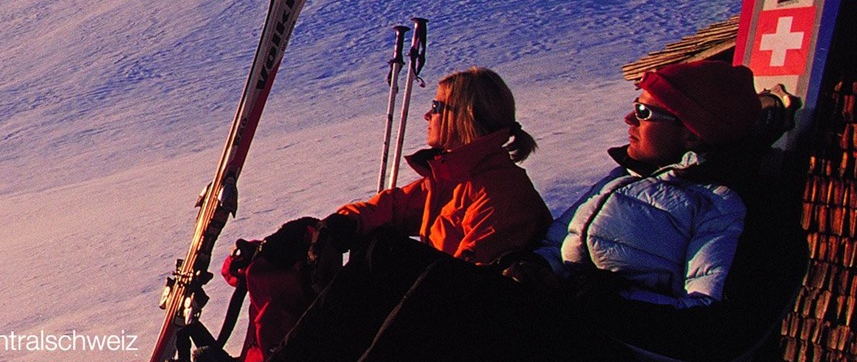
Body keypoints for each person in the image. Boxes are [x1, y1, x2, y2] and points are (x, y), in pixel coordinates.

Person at [322, 60, 809, 362]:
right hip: (563, 318)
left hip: (602, 342)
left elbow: (715, 329)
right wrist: (534, 268)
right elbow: (555, 244)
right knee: (384, 256)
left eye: (643, 112)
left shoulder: (729, 207)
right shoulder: (622, 181)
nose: (627, 119)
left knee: (445, 292)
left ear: (691, 131)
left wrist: (593, 299)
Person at [225, 66, 553, 362]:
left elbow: (465, 289)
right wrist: (338, 224)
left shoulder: (499, 193)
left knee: (383, 255)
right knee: (371, 247)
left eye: (437, 107)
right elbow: (392, 208)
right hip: (437, 311)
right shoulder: (458, 179)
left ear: (464, 116)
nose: (427, 115)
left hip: (469, 331)